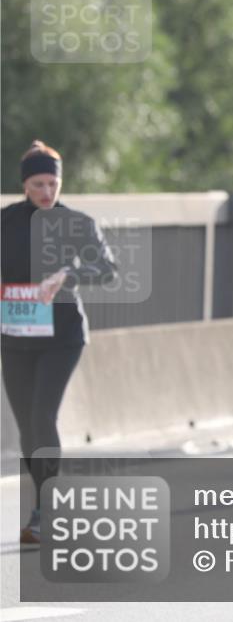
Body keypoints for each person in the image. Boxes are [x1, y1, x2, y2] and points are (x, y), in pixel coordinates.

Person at [2, 140, 117, 544]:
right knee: (25, 428)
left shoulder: (78, 223)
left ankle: (45, 509)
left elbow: (107, 269)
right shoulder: (7, 221)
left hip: (62, 337)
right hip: (15, 336)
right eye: (38, 184)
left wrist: (67, 274)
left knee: (41, 416)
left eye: (53, 183)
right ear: (24, 185)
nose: (47, 193)